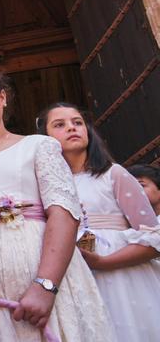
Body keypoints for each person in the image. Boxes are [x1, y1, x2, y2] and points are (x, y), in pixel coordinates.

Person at [0, 61, 114, 341]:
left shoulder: (39, 146)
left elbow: (63, 213)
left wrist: (45, 285)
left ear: (2, 97)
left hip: (38, 284)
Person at [38, 102, 160, 341]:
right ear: (45, 138)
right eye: (59, 125)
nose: (72, 128)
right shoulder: (44, 186)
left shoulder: (112, 174)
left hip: (122, 277)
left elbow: (154, 237)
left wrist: (103, 262)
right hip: (71, 274)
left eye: (77, 122)